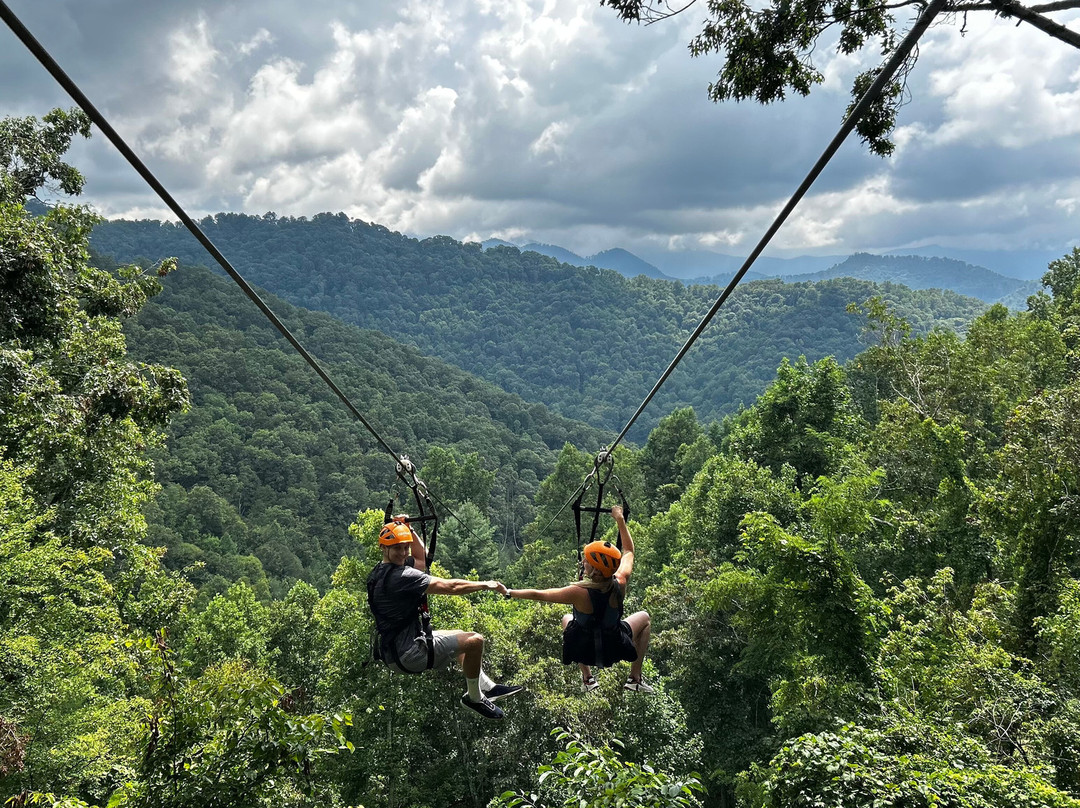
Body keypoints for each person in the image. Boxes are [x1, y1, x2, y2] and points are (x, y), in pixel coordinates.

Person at [367, 517, 523, 719]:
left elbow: (421, 558)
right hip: (410, 654)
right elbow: (451, 587)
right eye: (398, 548)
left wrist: (408, 529)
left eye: (406, 547)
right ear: (383, 547)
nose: (404, 553)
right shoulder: (402, 577)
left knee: (460, 635)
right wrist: (486, 584)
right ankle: (474, 697)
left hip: (394, 651)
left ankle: (487, 687)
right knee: (475, 641)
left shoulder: (379, 573)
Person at [505, 505, 652, 693]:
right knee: (645, 618)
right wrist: (620, 519)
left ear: (595, 569)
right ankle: (635, 677)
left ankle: (587, 678)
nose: (583, 562)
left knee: (567, 619)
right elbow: (629, 550)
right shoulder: (621, 582)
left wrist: (510, 592)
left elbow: (539, 594)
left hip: (585, 650)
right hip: (615, 647)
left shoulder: (578, 592)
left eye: (586, 561)